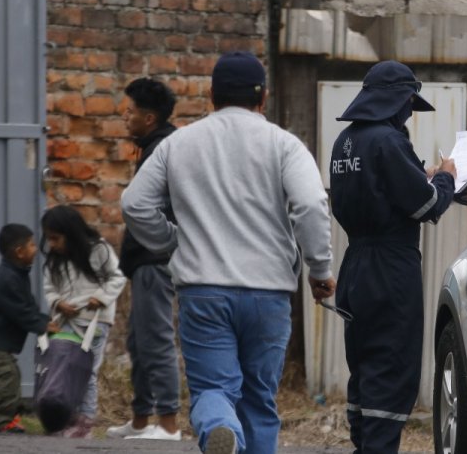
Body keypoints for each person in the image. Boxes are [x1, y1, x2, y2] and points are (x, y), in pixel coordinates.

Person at [121, 51, 336, 454]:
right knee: (259, 398)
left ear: (211, 95)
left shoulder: (178, 143)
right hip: (268, 294)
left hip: (203, 291)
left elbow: (135, 204)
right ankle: (238, 437)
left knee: (213, 389)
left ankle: (221, 427)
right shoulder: (285, 145)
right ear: (264, 97)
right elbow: (310, 204)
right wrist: (319, 269)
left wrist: (171, 242)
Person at [329, 60, 457, 454]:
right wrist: (446, 176)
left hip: (355, 266)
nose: (408, 115)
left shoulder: (344, 142)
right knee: (392, 365)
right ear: (397, 102)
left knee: (365, 365)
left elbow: (380, 187)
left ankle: (364, 445)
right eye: (408, 106)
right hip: (390, 268)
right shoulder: (387, 140)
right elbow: (428, 206)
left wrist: (423, 174)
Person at [107, 78, 182, 441]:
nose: (125, 115)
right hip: (145, 260)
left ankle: (168, 424)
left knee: (156, 339)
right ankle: (140, 419)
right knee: (138, 341)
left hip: (155, 260)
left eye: (131, 111)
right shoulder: (152, 145)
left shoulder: (163, 148)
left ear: (149, 117)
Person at [41, 205, 127, 439]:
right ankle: (65, 419)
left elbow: (117, 277)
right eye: (48, 239)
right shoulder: (55, 259)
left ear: (71, 233)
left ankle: (85, 423)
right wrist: (58, 303)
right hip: (67, 321)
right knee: (63, 371)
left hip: (95, 322)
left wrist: (100, 299)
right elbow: (49, 287)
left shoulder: (99, 250)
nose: (52, 244)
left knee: (86, 371)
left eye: (56, 238)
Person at [0, 223, 58, 434]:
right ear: (19, 252)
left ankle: (4, 416)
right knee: (6, 378)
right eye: (32, 245)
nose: (36, 249)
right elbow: (21, 312)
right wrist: (43, 325)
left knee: (7, 378)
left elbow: (28, 304)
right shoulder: (7, 279)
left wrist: (44, 319)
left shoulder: (16, 274)